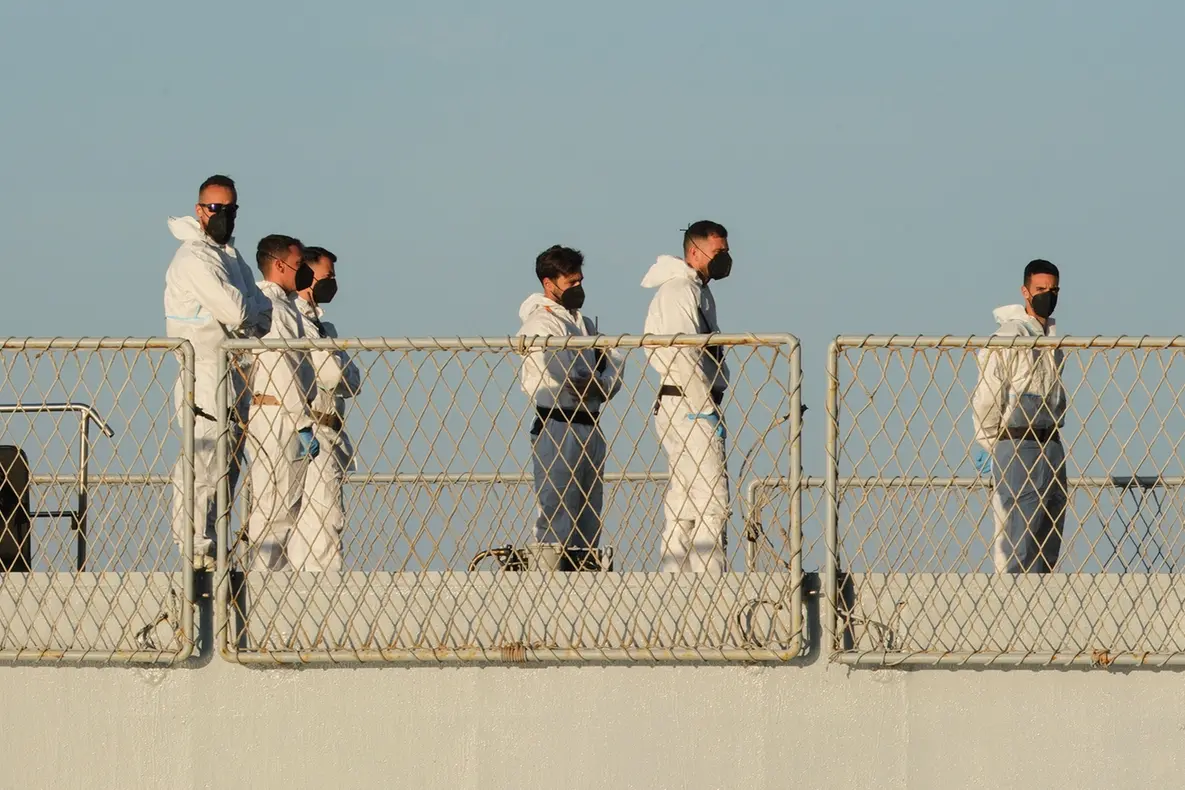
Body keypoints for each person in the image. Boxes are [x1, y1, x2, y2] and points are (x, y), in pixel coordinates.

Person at [164, 175, 272, 570]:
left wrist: (249, 311)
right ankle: (194, 551)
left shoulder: (230, 256)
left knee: (227, 468)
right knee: (204, 463)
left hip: (236, 371)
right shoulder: (194, 257)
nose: (222, 216)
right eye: (215, 208)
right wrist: (248, 311)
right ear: (199, 210)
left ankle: (212, 550)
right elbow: (241, 312)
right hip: (204, 374)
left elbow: (264, 312)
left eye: (230, 210)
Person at [517, 245, 622, 571]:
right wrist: (595, 380)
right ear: (549, 283)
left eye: (580, 281)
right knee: (557, 511)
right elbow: (564, 375)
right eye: (571, 283)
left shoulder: (584, 323)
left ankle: (583, 581)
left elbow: (615, 363)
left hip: (590, 424)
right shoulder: (540, 323)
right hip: (557, 425)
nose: (579, 289)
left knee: (589, 514)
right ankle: (548, 587)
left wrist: (598, 383)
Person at [641, 221, 733, 573]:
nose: (724, 259)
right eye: (718, 252)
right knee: (712, 499)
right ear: (694, 252)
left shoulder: (697, 289)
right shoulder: (680, 290)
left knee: (684, 500)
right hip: (689, 401)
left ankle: (675, 579)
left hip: (684, 402)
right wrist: (705, 407)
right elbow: (684, 351)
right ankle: (708, 582)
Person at [971, 259, 1068, 573]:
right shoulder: (1010, 335)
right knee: (1018, 539)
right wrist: (991, 445)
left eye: (1053, 290)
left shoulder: (1052, 339)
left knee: (1049, 533)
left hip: (1050, 439)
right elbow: (988, 395)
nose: (1047, 295)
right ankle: (1013, 611)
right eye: (1041, 289)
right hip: (1017, 439)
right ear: (1025, 292)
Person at [246, 235, 320, 571]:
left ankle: (269, 578)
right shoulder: (274, 307)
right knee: (278, 508)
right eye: (299, 263)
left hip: (276, 410)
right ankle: (265, 582)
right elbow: (283, 366)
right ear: (279, 265)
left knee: (276, 505)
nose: (304, 271)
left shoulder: (279, 305)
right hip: (281, 412)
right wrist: (302, 421)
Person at [291, 246, 361, 572]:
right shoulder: (298, 320)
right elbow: (333, 374)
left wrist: (337, 367)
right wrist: (337, 367)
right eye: (328, 276)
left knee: (324, 517)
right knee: (322, 517)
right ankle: (321, 592)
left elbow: (353, 381)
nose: (333, 283)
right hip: (313, 426)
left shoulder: (323, 326)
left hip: (333, 428)